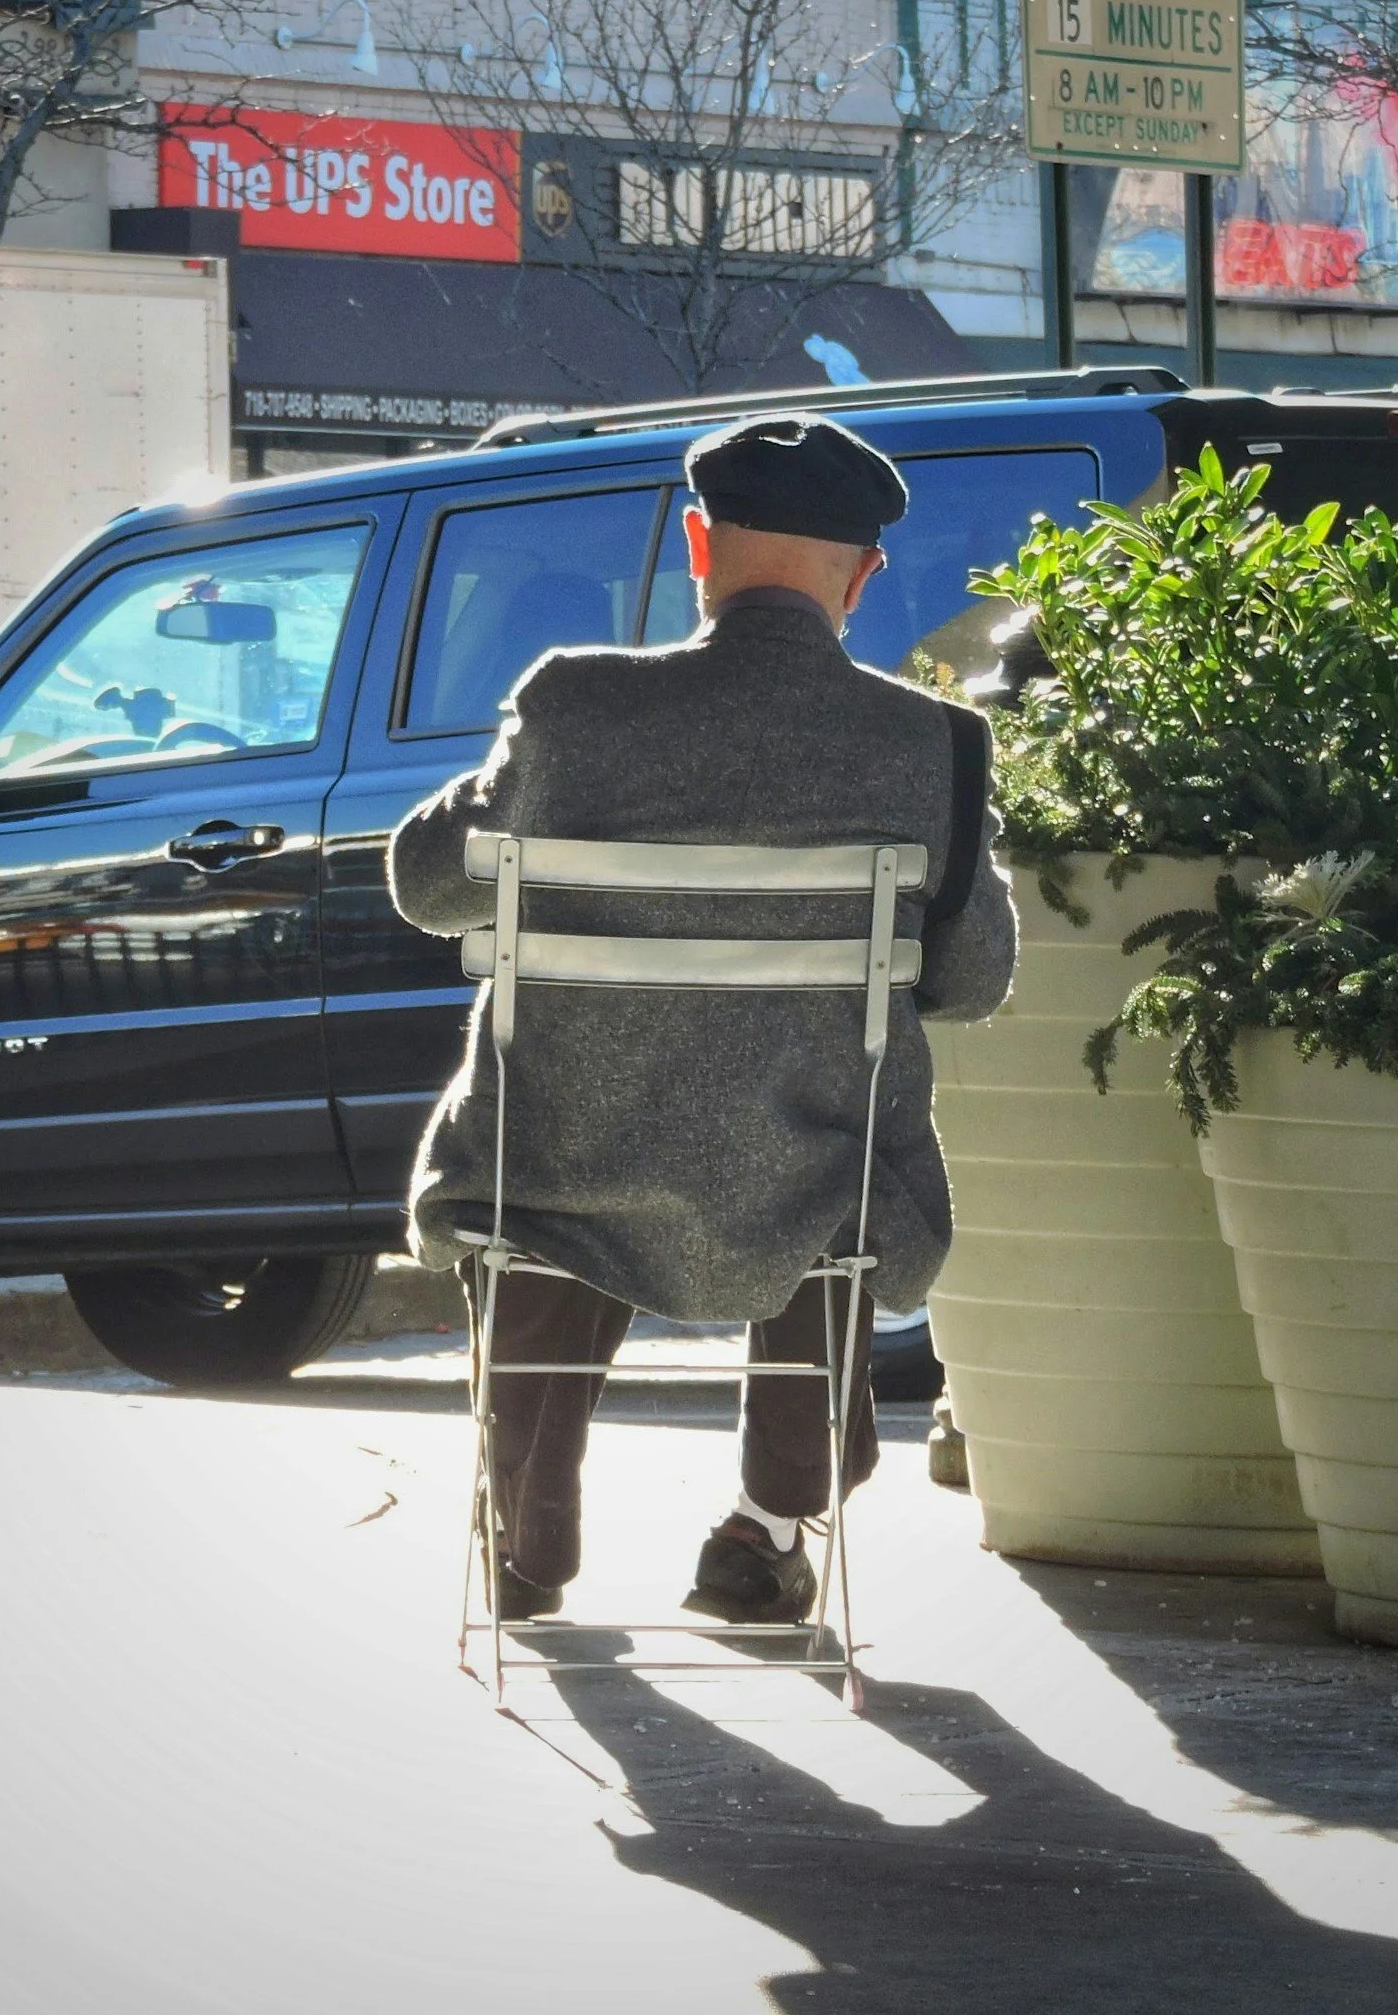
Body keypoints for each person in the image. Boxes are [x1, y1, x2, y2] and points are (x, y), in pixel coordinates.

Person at [388, 413, 1018, 1625]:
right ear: (866, 575)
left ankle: (527, 1525)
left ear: (697, 543)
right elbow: (975, 976)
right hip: (802, 1172)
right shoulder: (932, 744)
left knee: (546, 1147)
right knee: (839, 1160)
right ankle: (767, 1530)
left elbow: (428, 885)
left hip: (563, 1167)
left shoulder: (572, 704)